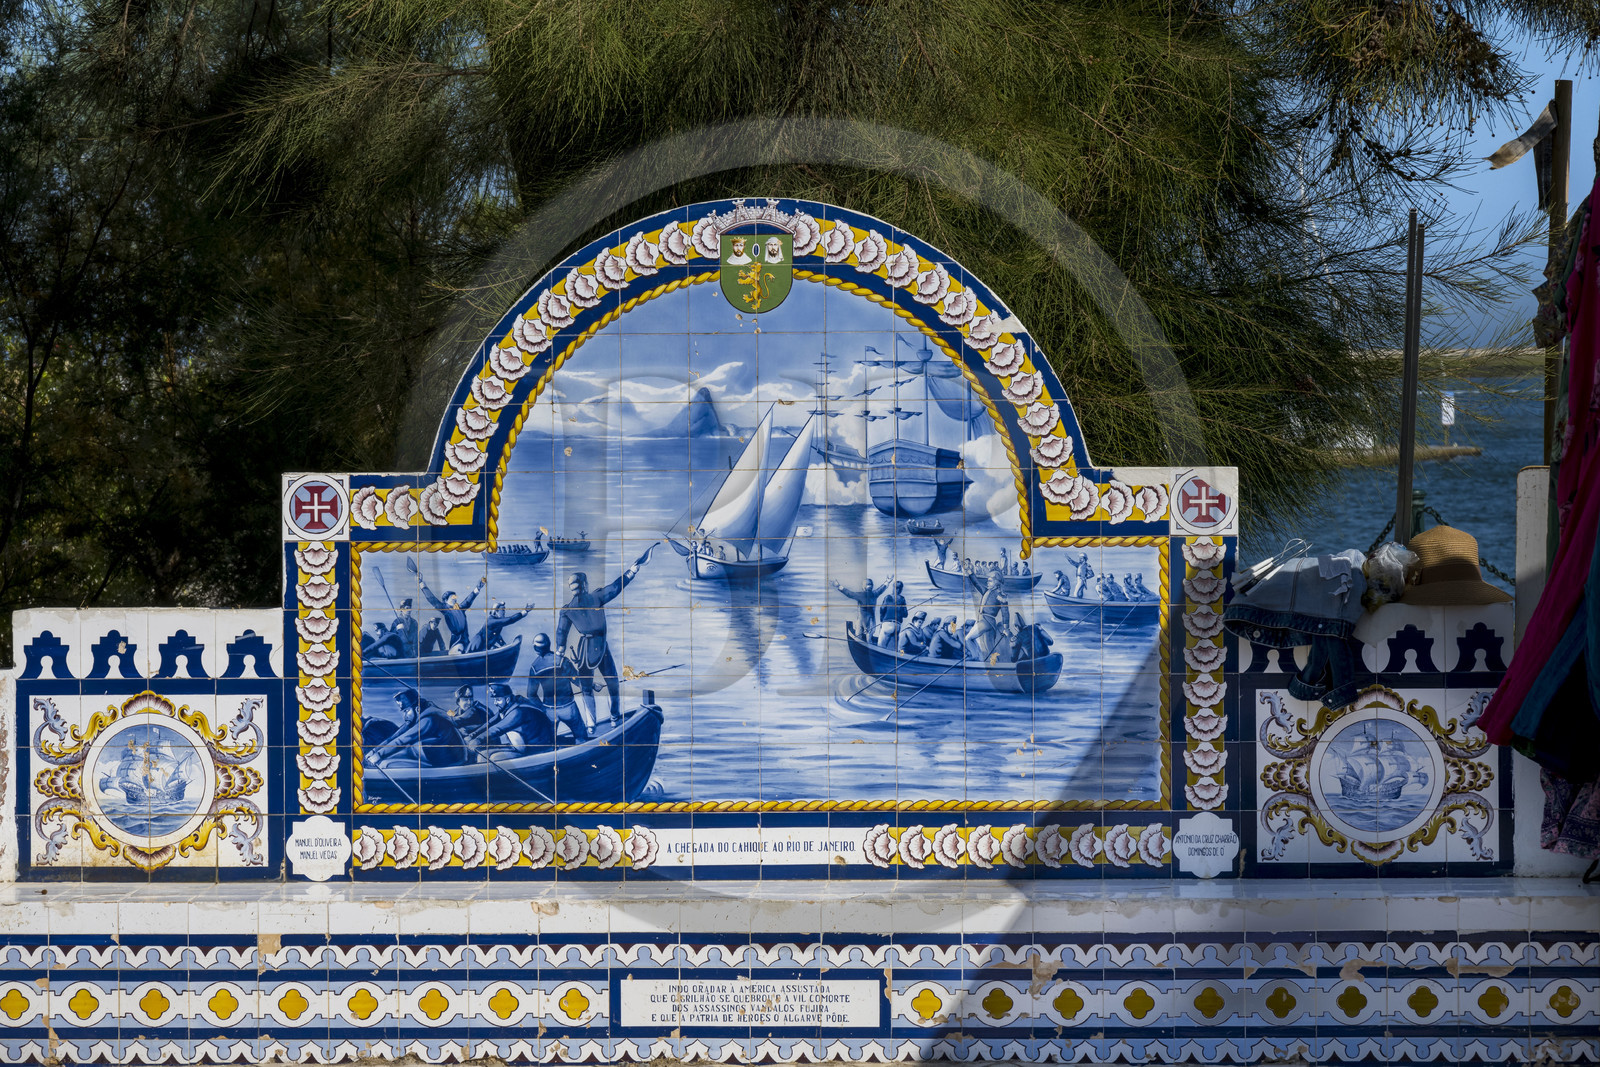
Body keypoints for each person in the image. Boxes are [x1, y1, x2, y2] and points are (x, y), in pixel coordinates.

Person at [556, 547, 654, 731]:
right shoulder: (595, 597)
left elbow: (561, 633)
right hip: (599, 647)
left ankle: (592, 724)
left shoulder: (567, 609)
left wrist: (560, 652)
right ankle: (614, 718)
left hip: (585, 649)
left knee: (587, 688)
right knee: (612, 683)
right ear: (585, 584)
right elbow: (615, 588)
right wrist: (632, 571)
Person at [369, 689, 465, 768]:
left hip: (449, 759)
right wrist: (374, 751)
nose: (404, 716)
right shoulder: (418, 717)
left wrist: (379, 755)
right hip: (432, 753)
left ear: (417, 709)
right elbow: (396, 736)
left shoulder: (429, 719)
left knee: (387, 762)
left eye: (406, 711)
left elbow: (403, 740)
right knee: (393, 755)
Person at [526, 633, 591, 743]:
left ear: (535, 648)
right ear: (549, 644)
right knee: (581, 737)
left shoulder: (534, 667)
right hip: (568, 707)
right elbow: (576, 680)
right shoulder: (562, 660)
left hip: (549, 710)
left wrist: (542, 708)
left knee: (551, 742)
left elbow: (531, 695)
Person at [476, 682, 557, 754]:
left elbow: (497, 729)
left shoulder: (518, 712)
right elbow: (490, 722)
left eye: (498, 700)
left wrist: (477, 740)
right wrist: (473, 734)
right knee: (485, 754)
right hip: (525, 745)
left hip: (538, 749)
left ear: (507, 699)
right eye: (494, 700)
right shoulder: (509, 706)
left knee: (492, 757)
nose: (495, 703)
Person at [416, 572, 487, 653]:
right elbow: (432, 599)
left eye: (455, 597)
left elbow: (469, 599)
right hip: (456, 642)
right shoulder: (445, 609)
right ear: (446, 600)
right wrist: (422, 584)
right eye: (453, 597)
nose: (455, 599)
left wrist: (478, 588)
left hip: (466, 640)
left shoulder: (460, 608)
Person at [969, 565, 1012, 659]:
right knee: (990, 647)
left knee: (968, 639)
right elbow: (977, 584)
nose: (987, 582)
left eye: (990, 580)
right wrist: (970, 573)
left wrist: (1006, 628)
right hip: (986, 621)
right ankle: (995, 664)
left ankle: (975, 658)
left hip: (987, 621)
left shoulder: (1001, 596)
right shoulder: (986, 591)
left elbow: (1005, 613)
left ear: (996, 582)